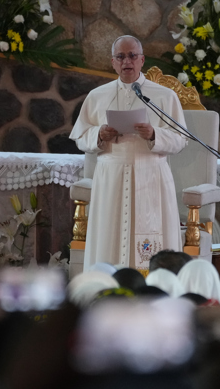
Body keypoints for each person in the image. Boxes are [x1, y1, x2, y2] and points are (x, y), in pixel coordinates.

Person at [70, 36, 188, 274]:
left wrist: (154, 134)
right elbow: (80, 136)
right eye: (121, 57)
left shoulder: (165, 96)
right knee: (110, 234)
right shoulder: (97, 96)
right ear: (113, 62)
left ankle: (151, 283)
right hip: (110, 178)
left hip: (151, 174)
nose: (127, 61)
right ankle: (107, 281)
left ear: (142, 60)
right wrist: (99, 133)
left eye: (132, 56)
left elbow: (181, 139)